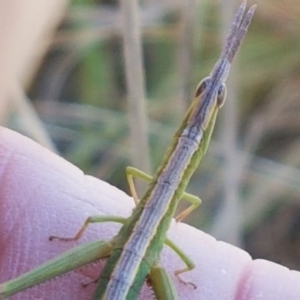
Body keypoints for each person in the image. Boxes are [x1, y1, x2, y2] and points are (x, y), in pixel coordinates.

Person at [1, 127, 299, 299]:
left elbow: (94, 217)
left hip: (132, 252)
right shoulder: (184, 204)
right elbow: (187, 264)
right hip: (129, 249)